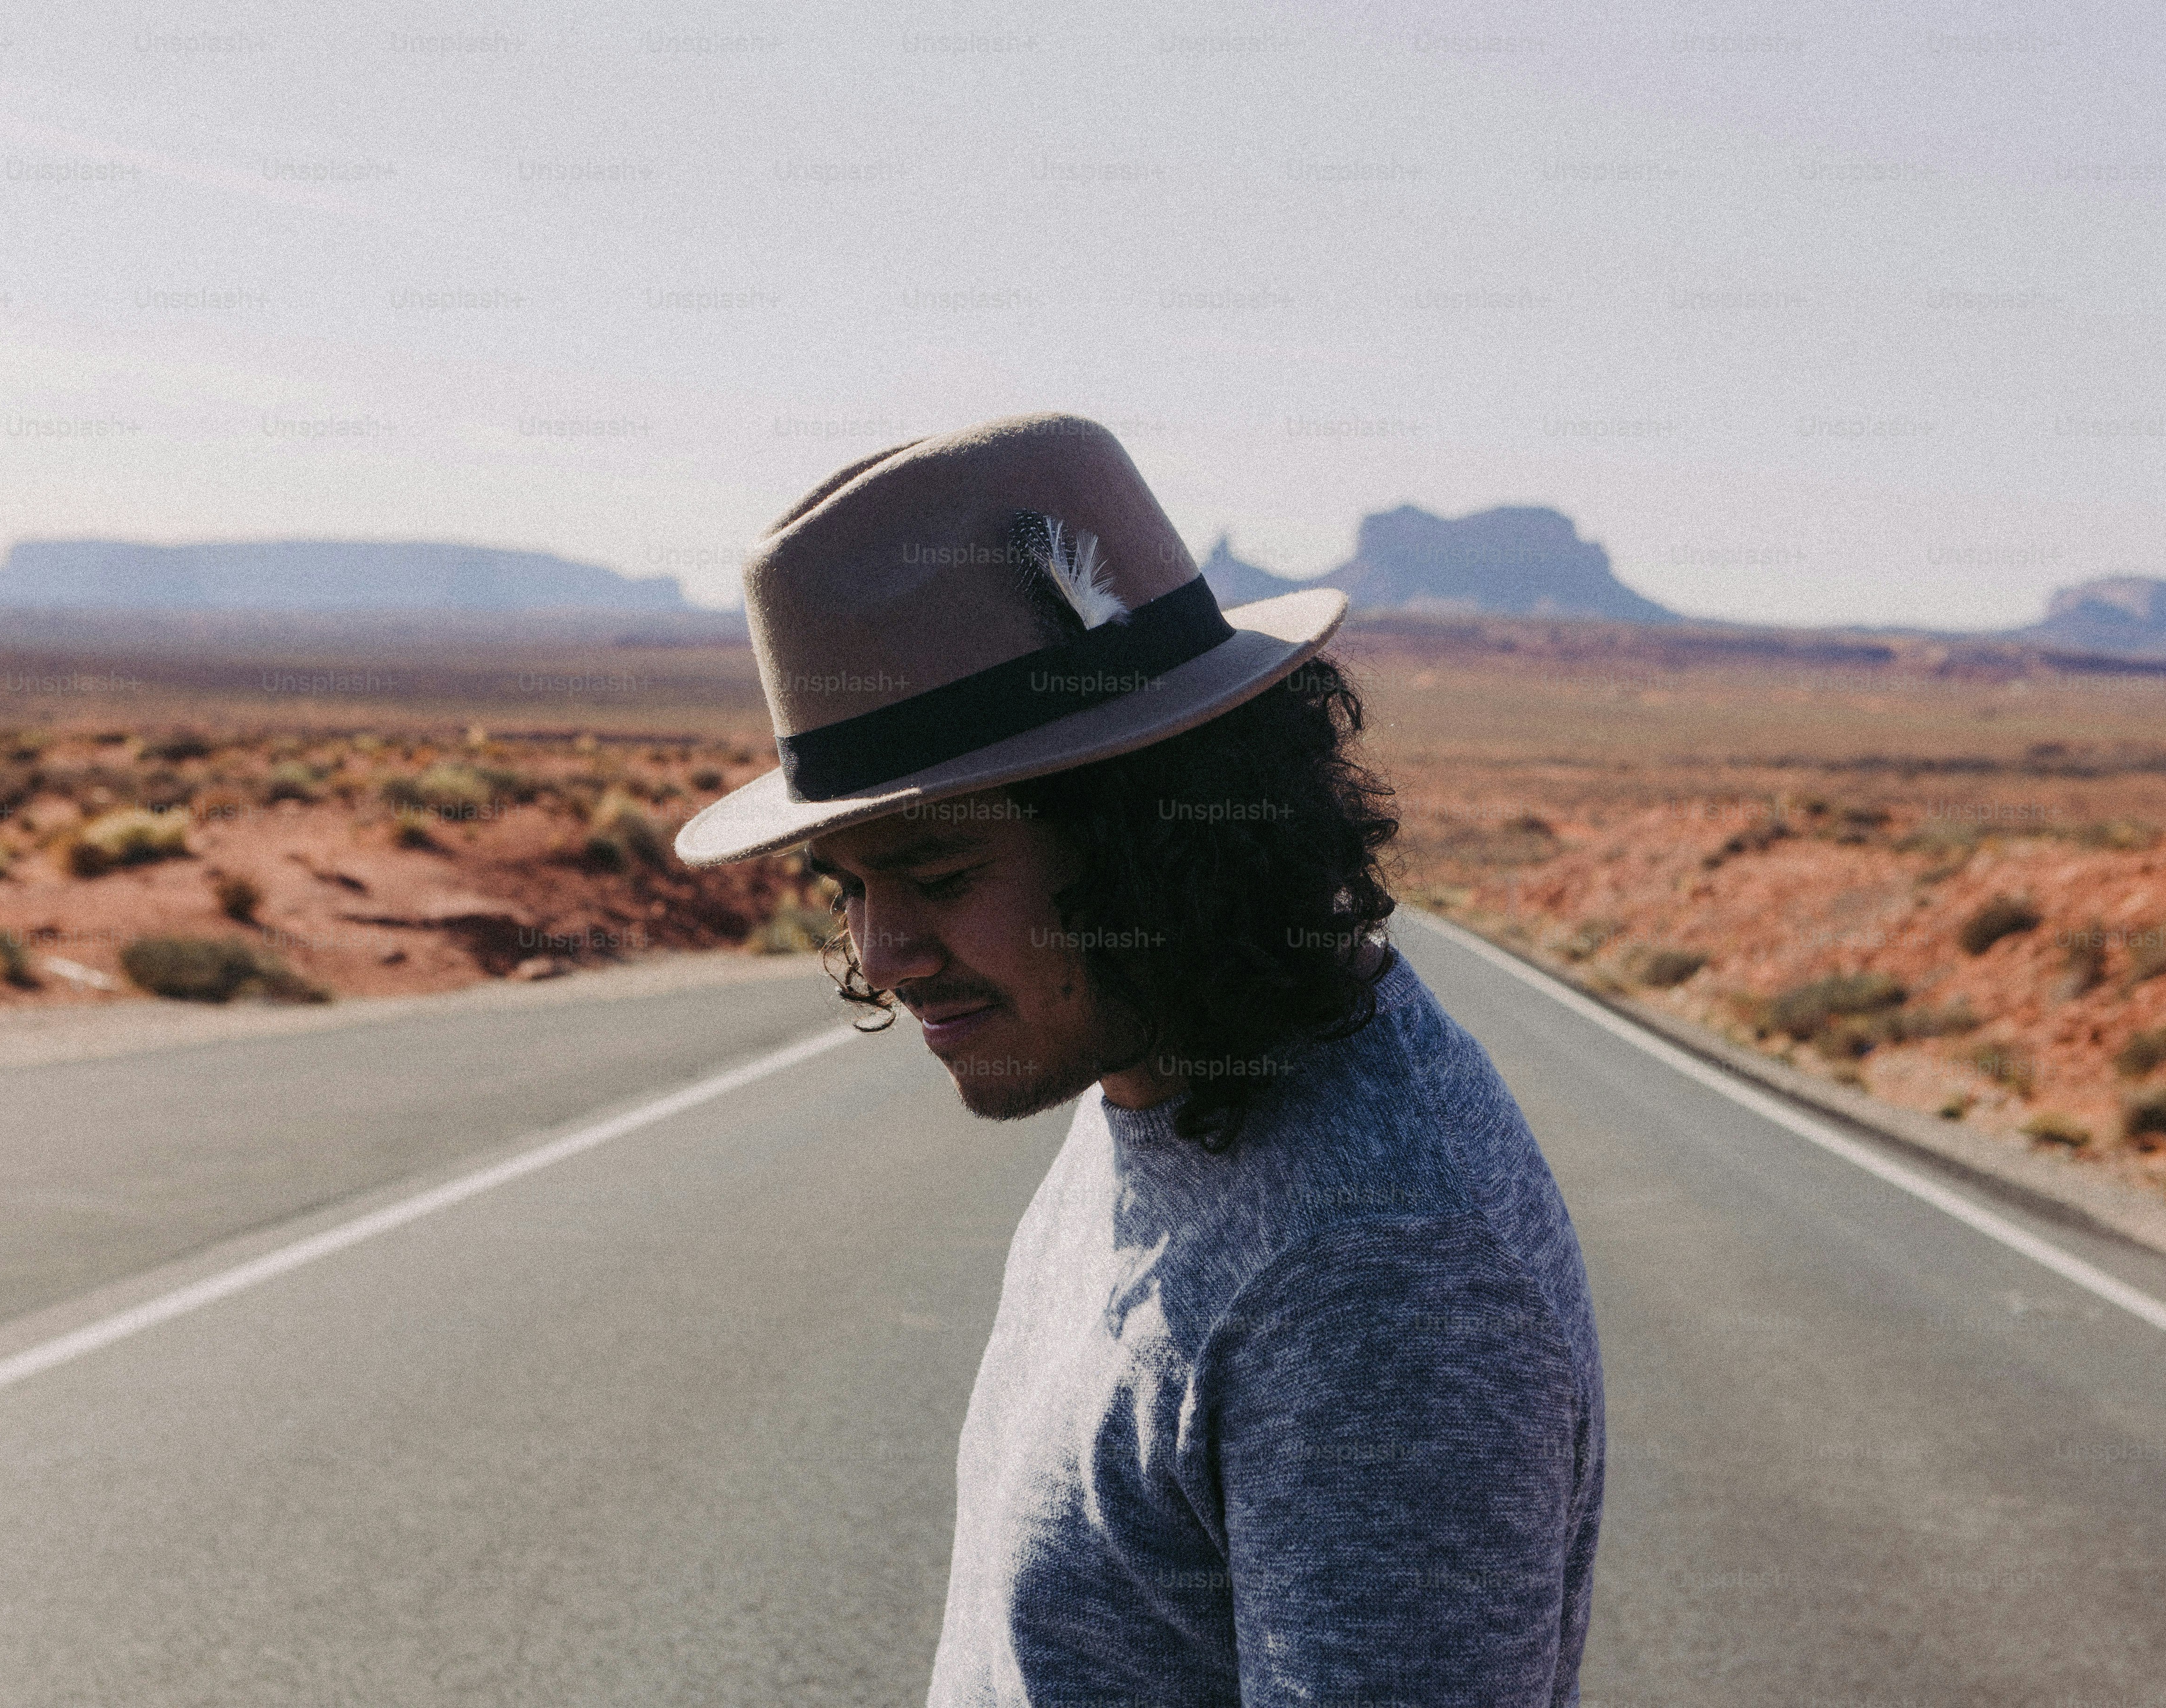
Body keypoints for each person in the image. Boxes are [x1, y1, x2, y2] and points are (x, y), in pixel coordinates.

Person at [676, 412, 1604, 1704]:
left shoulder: (1376, 1273)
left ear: (1157, 841)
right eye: (849, 887)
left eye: (940, 874)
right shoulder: (1162, 1075)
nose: (881, 955)